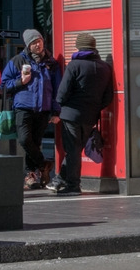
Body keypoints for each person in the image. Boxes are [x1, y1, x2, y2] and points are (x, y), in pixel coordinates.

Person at [47, 33, 114, 195]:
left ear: (79, 47)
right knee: (75, 149)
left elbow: (62, 93)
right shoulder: (105, 67)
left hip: (71, 115)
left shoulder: (74, 65)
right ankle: (61, 179)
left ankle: (73, 185)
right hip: (89, 116)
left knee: (72, 150)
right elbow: (108, 97)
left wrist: (60, 106)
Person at [0, 29, 61, 190]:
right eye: (34, 42)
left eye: (39, 41)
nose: (38, 44)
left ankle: (31, 174)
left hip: (42, 109)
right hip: (23, 108)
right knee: (24, 139)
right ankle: (44, 163)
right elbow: (4, 85)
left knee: (35, 142)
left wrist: (55, 111)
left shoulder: (51, 63)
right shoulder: (18, 61)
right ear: (28, 45)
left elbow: (57, 89)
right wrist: (21, 81)